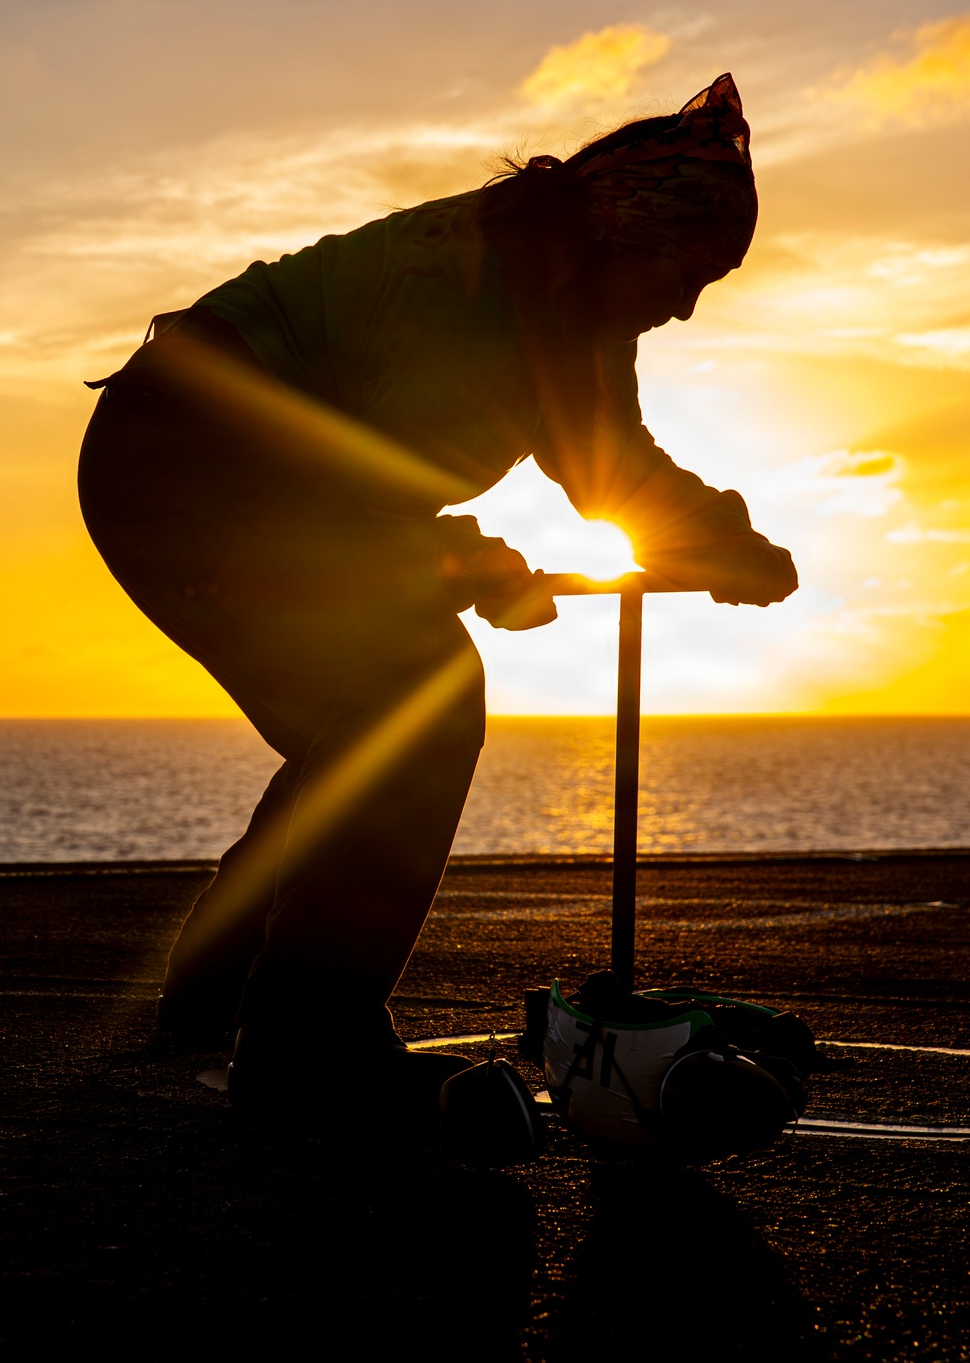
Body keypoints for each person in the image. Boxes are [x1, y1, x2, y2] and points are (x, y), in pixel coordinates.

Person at [78, 73, 797, 1118]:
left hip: (223, 479)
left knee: (357, 722)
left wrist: (730, 548)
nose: (685, 305)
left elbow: (607, 469)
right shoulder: (456, 284)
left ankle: (220, 999)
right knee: (416, 694)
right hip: (185, 466)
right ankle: (305, 1049)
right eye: (685, 272)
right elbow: (334, 479)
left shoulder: (570, 316)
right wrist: (459, 565)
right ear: (616, 233)